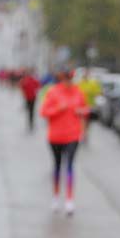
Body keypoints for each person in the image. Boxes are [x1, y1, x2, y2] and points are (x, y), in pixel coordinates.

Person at [39, 70, 89, 216]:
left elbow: (86, 109)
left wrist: (82, 111)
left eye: (70, 78)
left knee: (70, 166)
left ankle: (69, 200)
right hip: (55, 136)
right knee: (57, 166)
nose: (68, 81)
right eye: (66, 78)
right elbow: (43, 112)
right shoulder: (53, 92)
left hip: (73, 135)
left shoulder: (78, 92)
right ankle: (55, 197)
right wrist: (58, 109)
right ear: (61, 79)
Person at [77, 69, 102, 145]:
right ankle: (83, 135)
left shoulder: (93, 83)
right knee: (82, 121)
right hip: (81, 106)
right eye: (84, 74)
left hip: (90, 106)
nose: (85, 76)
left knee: (87, 122)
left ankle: (85, 134)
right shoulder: (79, 83)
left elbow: (98, 93)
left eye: (87, 74)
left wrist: (92, 93)